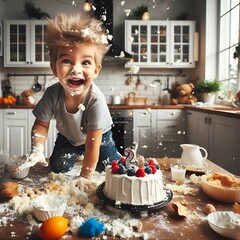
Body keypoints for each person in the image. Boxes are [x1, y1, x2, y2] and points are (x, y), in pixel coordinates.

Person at [16, 13, 120, 179]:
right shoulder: (52, 94)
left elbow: (93, 145)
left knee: (110, 167)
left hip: (99, 138)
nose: (75, 69)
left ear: (96, 70)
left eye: (85, 62)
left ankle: (123, 159)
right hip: (68, 137)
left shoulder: (95, 100)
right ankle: (75, 155)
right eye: (66, 61)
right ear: (54, 68)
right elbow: (41, 124)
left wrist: (85, 177)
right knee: (58, 167)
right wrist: (37, 148)